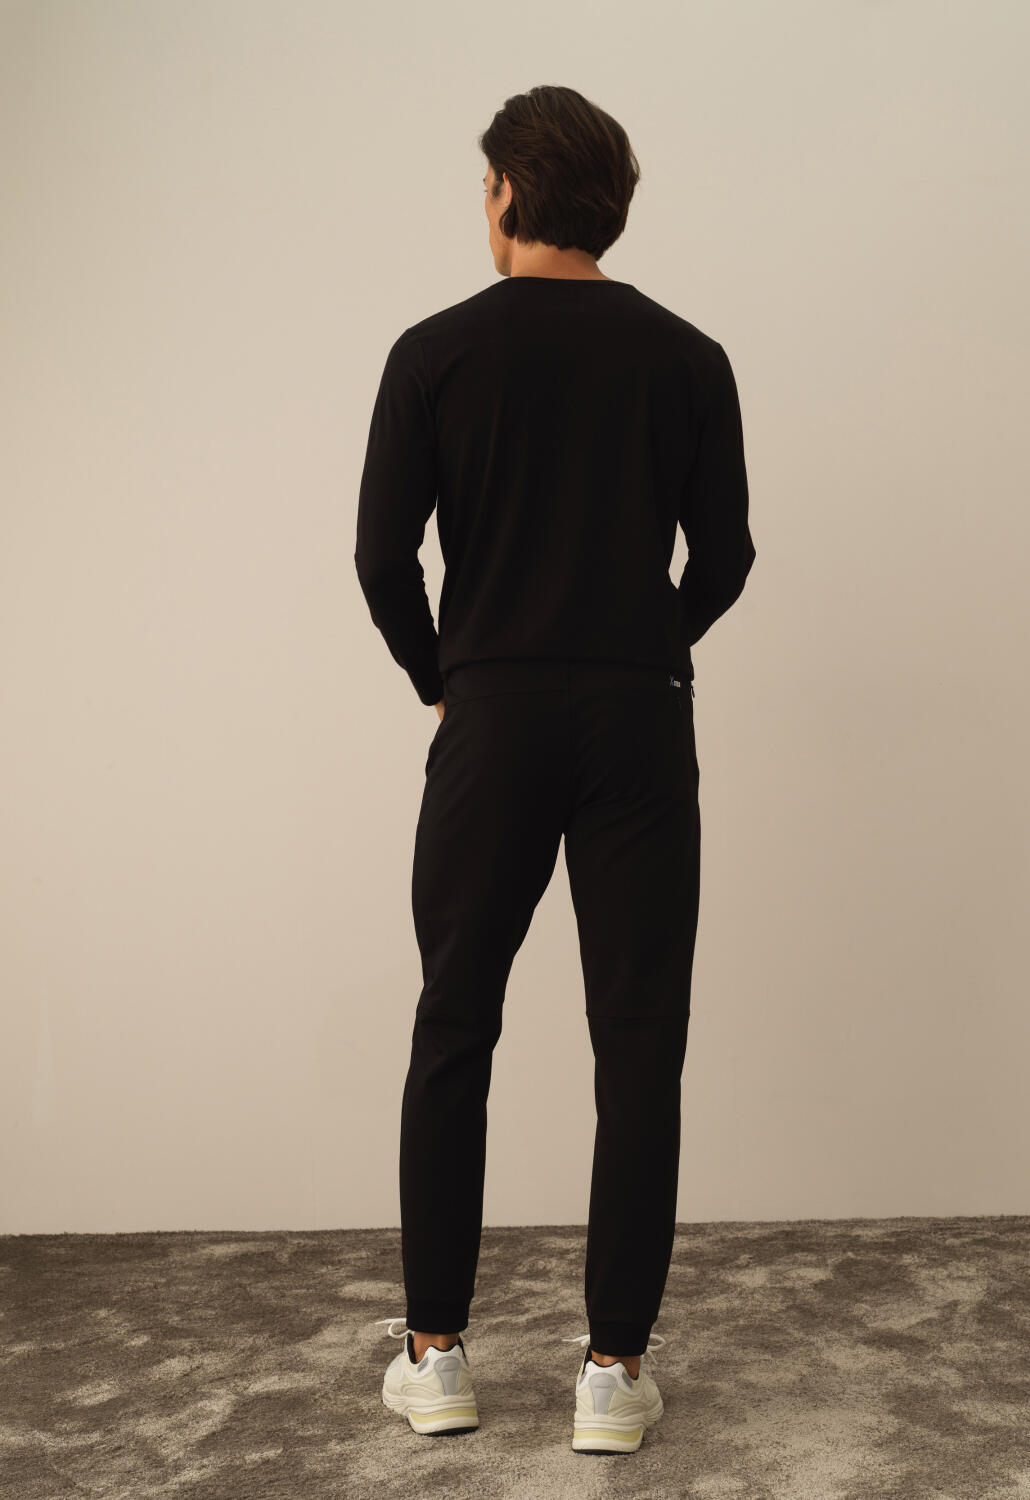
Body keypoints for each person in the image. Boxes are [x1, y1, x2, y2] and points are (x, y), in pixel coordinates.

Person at [355, 84, 755, 1454]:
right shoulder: (688, 357)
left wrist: (448, 673)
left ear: (510, 194)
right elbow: (727, 557)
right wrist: (644, 641)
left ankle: (437, 1355)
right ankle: (611, 1375)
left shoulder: (434, 353)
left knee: (454, 1021)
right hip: (638, 719)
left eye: (485, 185)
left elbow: (380, 557)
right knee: (638, 1039)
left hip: (494, 718)